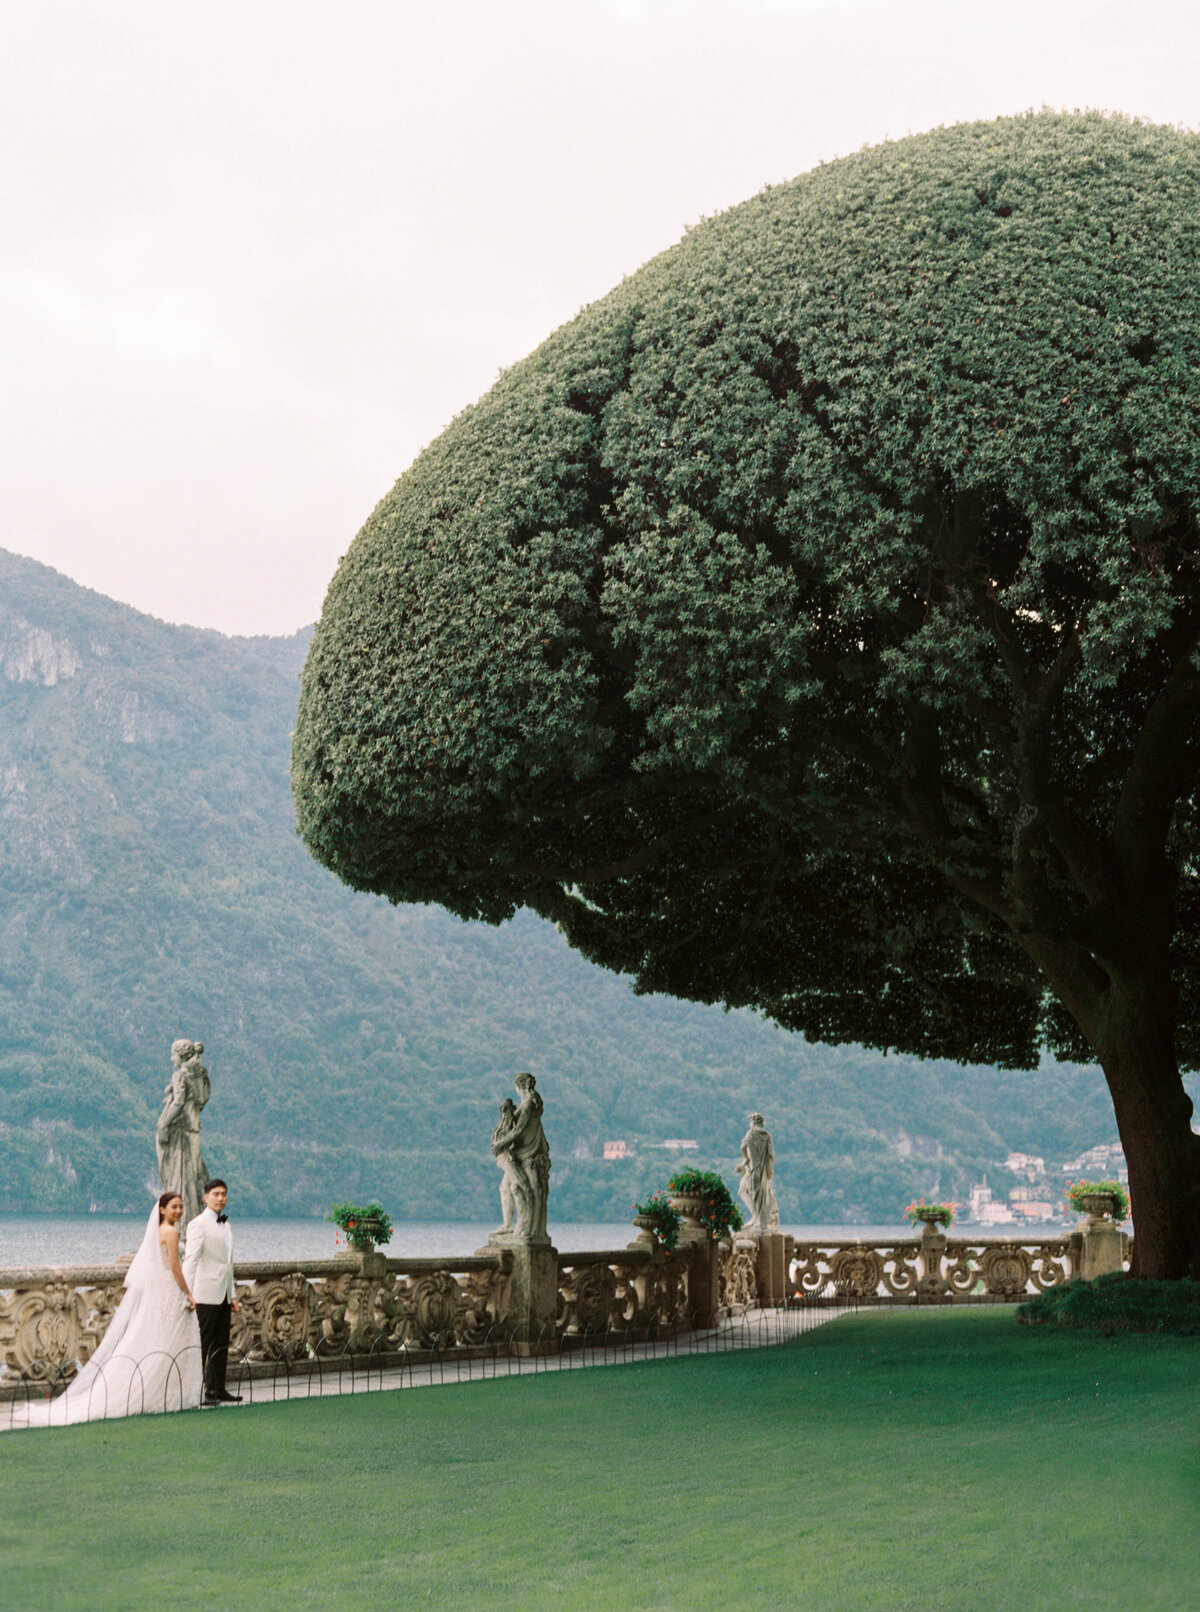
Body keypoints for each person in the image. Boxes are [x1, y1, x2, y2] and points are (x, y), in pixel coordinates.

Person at [4, 1192, 202, 1428]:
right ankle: (163, 1392)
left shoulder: (157, 1232)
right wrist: (188, 1293)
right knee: (164, 1340)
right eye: (174, 1207)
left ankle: (154, 1390)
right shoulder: (171, 1231)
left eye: (181, 1207)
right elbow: (174, 1266)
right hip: (168, 1288)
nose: (178, 1211)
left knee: (151, 1339)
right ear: (161, 1210)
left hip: (156, 1290)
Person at [182, 1177, 242, 1405]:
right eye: (216, 1194)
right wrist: (187, 1292)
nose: (220, 1198)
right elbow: (191, 1260)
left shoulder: (226, 1225)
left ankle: (218, 1389)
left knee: (221, 1345)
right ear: (206, 1197)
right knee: (202, 1346)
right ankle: (198, 1391)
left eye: (224, 1194)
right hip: (204, 1294)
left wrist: (233, 1294)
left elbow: (229, 1264)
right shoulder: (198, 1224)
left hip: (224, 1294)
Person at [155, 1038, 211, 1229]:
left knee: (177, 1180)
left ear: (181, 1055)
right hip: (194, 1130)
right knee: (194, 1178)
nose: (172, 1059)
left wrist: (162, 1124)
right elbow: (201, 1099)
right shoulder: (199, 1076)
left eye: (173, 1054)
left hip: (180, 1132)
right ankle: (194, 1225)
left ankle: (179, 1229)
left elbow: (178, 1103)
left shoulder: (181, 1075)